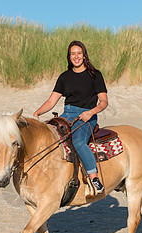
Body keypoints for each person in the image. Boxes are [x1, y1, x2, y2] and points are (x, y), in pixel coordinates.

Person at [33, 40, 108, 193]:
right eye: (72, 54)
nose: (76, 56)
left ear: (84, 55)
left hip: (86, 115)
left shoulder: (95, 75)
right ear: (69, 57)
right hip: (67, 114)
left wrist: (91, 112)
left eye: (79, 53)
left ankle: (94, 178)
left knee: (79, 142)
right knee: (48, 137)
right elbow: (51, 101)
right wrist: (37, 113)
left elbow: (104, 102)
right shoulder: (64, 77)